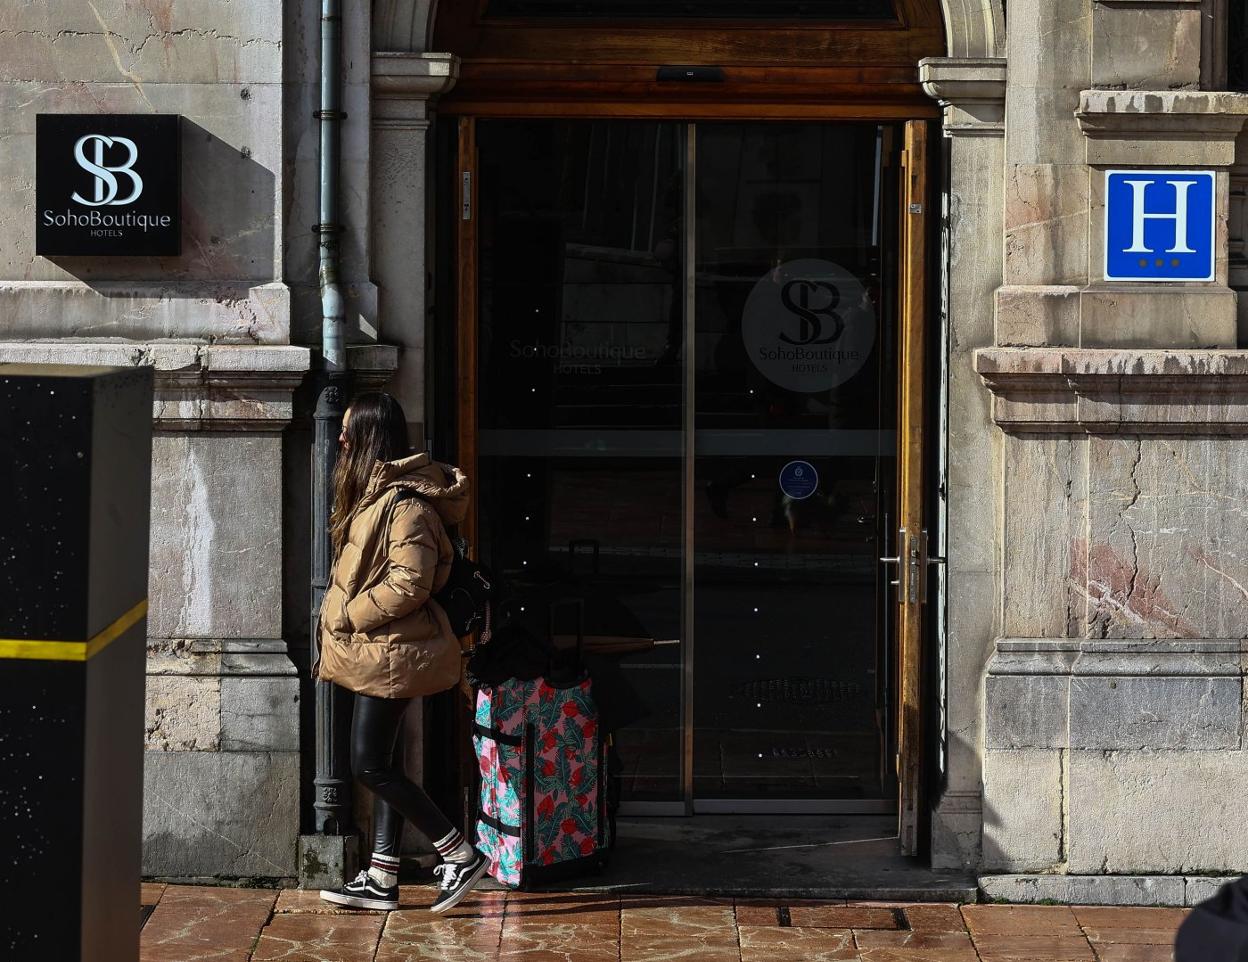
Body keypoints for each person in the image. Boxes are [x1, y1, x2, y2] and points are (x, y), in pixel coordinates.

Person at [315, 391, 487, 914]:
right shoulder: (377, 495)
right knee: (385, 762)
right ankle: (382, 877)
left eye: (348, 431)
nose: (340, 439)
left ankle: (458, 853)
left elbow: (410, 582)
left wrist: (350, 614)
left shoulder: (406, 505)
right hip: (383, 649)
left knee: (368, 765)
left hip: (392, 649)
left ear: (369, 437)